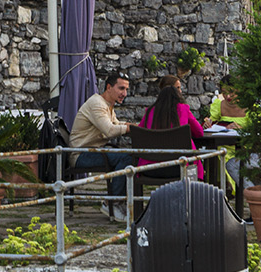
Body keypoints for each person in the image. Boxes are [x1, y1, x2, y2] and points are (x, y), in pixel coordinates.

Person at [70, 72, 134, 217]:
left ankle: (121, 200)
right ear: (109, 87)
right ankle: (112, 203)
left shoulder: (107, 105)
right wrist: (132, 128)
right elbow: (110, 130)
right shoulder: (97, 104)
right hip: (81, 155)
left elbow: (117, 124)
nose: (124, 93)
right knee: (127, 157)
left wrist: (133, 126)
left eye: (126, 89)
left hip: (93, 151)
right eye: (121, 88)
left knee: (131, 156)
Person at [138, 81, 208, 182]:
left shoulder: (150, 111)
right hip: (180, 166)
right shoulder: (183, 109)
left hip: (150, 167)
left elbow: (141, 133)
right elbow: (199, 132)